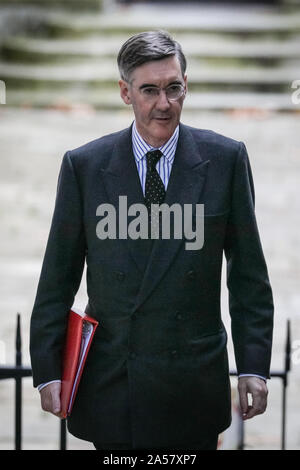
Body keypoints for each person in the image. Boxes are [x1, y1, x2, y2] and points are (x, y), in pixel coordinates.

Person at [30, 30, 274, 451]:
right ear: (125, 92)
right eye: (150, 90)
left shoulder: (226, 159)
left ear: (186, 86)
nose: (165, 104)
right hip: (114, 379)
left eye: (174, 88)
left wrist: (254, 365)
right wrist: (49, 369)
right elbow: (58, 275)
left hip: (192, 379)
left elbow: (249, 274)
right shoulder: (84, 166)